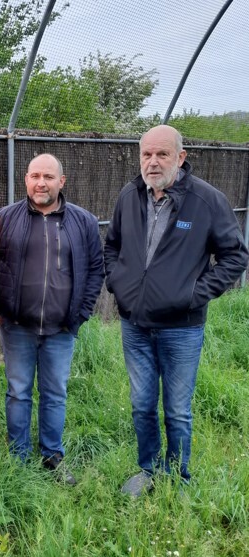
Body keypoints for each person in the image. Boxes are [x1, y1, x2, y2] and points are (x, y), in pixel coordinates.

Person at [104, 125, 249, 497]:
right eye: (146, 155)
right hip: (134, 324)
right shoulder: (129, 195)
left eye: (162, 154)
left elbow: (235, 256)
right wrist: (117, 281)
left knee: (178, 409)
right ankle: (148, 470)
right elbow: (112, 246)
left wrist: (193, 294)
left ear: (180, 158)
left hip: (181, 328)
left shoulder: (206, 201)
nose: (152, 162)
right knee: (141, 404)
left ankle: (179, 477)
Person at [0, 153, 104, 485]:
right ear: (26, 179)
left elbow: (95, 269)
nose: (41, 183)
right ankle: (19, 457)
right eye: (35, 176)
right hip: (17, 326)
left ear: (61, 182)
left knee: (55, 393)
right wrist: (1, 310)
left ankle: (52, 456)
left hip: (61, 328)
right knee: (18, 392)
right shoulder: (5, 218)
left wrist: (80, 314)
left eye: (49, 177)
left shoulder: (82, 221)